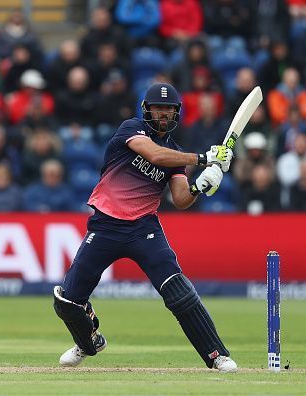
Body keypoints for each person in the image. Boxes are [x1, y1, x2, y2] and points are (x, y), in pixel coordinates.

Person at [53, 83, 238, 372]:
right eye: (158, 108)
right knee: (67, 301)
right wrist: (203, 158)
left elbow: (180, 199)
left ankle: (217, 356)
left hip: (144, 229)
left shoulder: (175, 153)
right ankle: (89, 341)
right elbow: (154, 155)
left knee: (178, 291)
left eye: (169, 109)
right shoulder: (132, 129)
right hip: (106, 225)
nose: (163, 114)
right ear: (147, 110)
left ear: (176, 113)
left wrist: (201, 185)